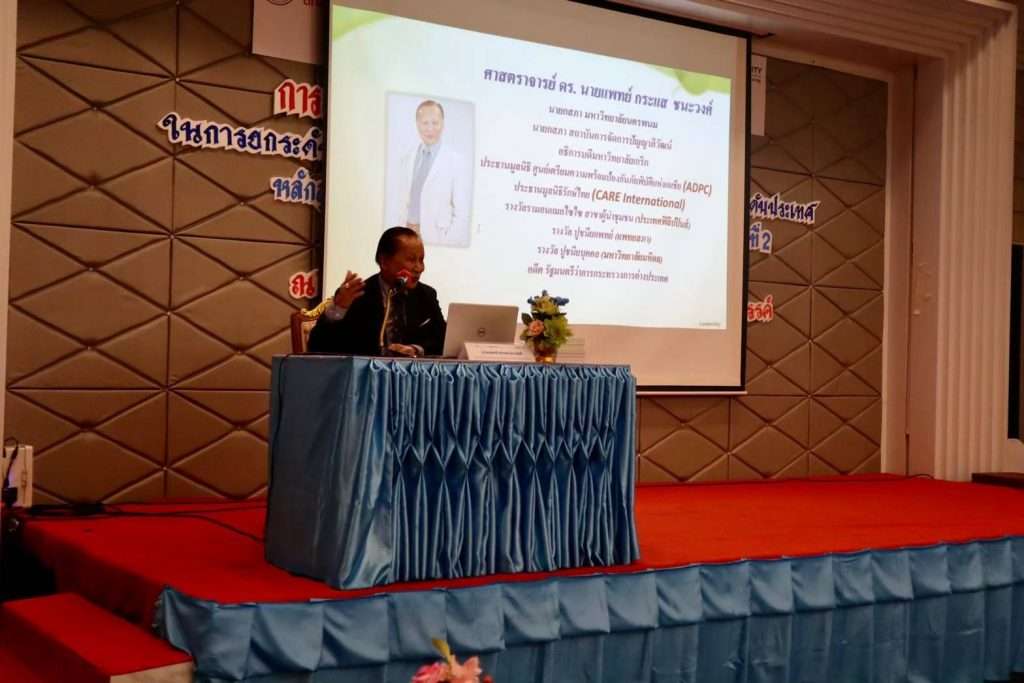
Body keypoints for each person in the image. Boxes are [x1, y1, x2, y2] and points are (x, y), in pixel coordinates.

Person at [307, 227, 446, 357]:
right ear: (384, 262)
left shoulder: (427, 295)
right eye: (411, 260)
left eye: (421, 260)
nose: (419, 268)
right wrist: (338, 309)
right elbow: (317, 347)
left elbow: (442, 341)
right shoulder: (356, 295)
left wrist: (416, 349)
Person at [386, 99, 471, 247]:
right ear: (417, 124)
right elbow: (398, 202)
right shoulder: (406, 160)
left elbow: (462, 213)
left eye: (435, 123)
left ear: (443, 124)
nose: (430, 129)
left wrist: (448, 242)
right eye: (425, 123)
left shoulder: (456, 161)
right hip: (405, 234)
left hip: (436, 238)